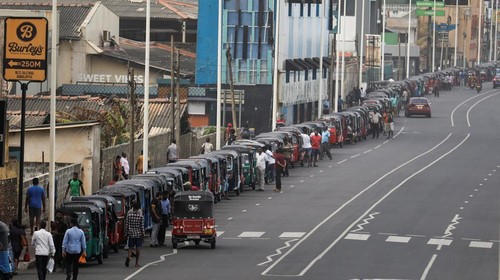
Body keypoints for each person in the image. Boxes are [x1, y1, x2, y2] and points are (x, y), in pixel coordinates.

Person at [125, 201, 144, 268]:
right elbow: (142, 227)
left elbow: (127, 225)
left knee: (130, 247)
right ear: (138, 208)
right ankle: (136, 263)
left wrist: (126, 233)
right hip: (138, 234)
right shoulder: (140, 216)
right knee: (138, 248)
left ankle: (129, 256)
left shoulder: (129, 215)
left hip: (131, 233)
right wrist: (143, 234)